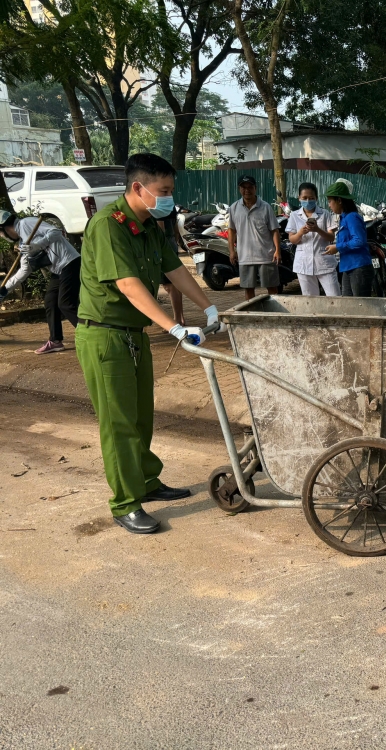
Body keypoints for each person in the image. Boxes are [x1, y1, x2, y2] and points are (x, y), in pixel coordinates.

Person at [76, 153, 220, 535]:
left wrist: (209, 308)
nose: (170, 198)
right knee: (119, 421)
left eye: (171, 191)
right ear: (138, 188)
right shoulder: (109, 225)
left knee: (141, 415)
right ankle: (125, 501)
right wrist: (174, 328)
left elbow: (173, 270)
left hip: (133, 335)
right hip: (104, 335)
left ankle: (146, 481)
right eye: (164, 191)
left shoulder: (150, 226)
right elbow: (129, 285)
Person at [0, 210, 80, 354]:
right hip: (58, 271)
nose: (2, 237)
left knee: (65, 304)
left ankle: (89, 335)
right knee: (50, 301)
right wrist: (4, 289)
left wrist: (38, 245)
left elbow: (56, 232)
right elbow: (24, 271)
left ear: (5, 228)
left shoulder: (26, 223)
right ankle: (55, 341)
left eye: (0, 234)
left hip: (70, 262)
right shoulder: (23, 243)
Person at [228, 174, 281, 301]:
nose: (247, 190)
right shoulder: (234, 208)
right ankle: (251, 315)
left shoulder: (265, 207)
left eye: (250, 187)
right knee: (248, 289)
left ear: (255, 188)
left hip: (266, 256)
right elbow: (231, 230)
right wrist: (231, 251)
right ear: (239, 189)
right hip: (245, 257)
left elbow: (274, 230)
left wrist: (278, 250)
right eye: (243, 187)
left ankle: (276, 314)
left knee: (272, 288)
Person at [286, 181, 339, 297]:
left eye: (311, 198)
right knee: (310, 299)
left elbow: (331, 237)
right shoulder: (294, 215)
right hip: (303, 264)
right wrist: (300, 232)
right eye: (304, 198)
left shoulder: (324, 214)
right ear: (299, 198)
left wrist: (317, 230)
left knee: (334, 296)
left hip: (324, 261)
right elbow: (292, 240)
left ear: (316, 198)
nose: (308, 201)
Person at [325, 181, 372, 297]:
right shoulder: (343, 218)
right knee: (348, 305)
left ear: (339, 201)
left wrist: (337, 247)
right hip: (348, 266)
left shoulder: (352, 217)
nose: (329, 205)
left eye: (330, 201)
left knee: (361, 306)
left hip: (358, 267)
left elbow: (359, 241)